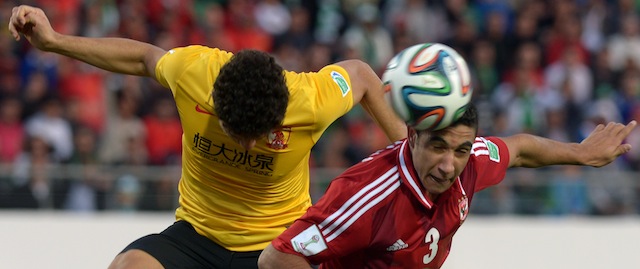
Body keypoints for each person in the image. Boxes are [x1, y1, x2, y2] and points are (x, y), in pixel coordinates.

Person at [8, 5, 407, 269]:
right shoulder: (194, 74)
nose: (250, 145)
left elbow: (361, 75)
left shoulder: (310, 99)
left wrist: (410, 157)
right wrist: (54, 41)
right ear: (215, 104)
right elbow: (143, 58)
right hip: (197, 236)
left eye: (260, 135)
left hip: (278, 244)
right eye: (239, 134)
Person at [258, 104, 637, 269]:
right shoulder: (367, 195)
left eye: (460, 150)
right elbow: (278, 258)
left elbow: (519, 149)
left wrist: (580, 152)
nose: (448, 164)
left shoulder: (470, 163)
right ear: (412, 137)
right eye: (438, 146)